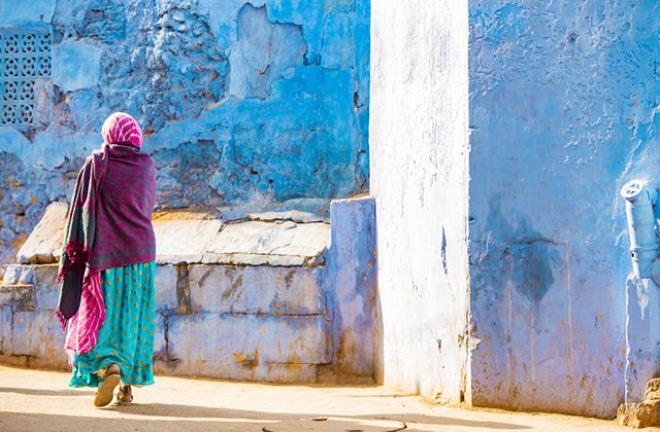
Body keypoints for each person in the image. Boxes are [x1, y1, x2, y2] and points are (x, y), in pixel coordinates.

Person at [55, 112, 157, 407]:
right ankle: (126, 385)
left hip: (107, 255)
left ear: (109, 134)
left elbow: (82, 210)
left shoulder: (97, 163)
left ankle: (106, 368)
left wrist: (77, 251)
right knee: (133, 320)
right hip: (142, 254)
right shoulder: (146, 165)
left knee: (100, 318)